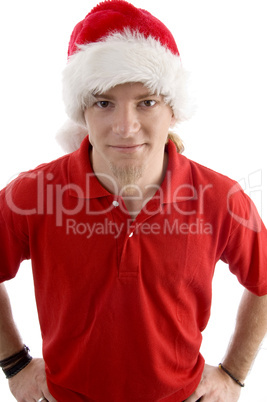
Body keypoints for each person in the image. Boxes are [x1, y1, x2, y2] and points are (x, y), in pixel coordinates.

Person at [0, 0, 267, 401]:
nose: (126, 127)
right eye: (105, 103)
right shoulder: (33, 194)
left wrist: (233, 374)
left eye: (147, 102)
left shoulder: (222, 200)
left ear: (173, 110)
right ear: (83, 112)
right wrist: (15, 364)